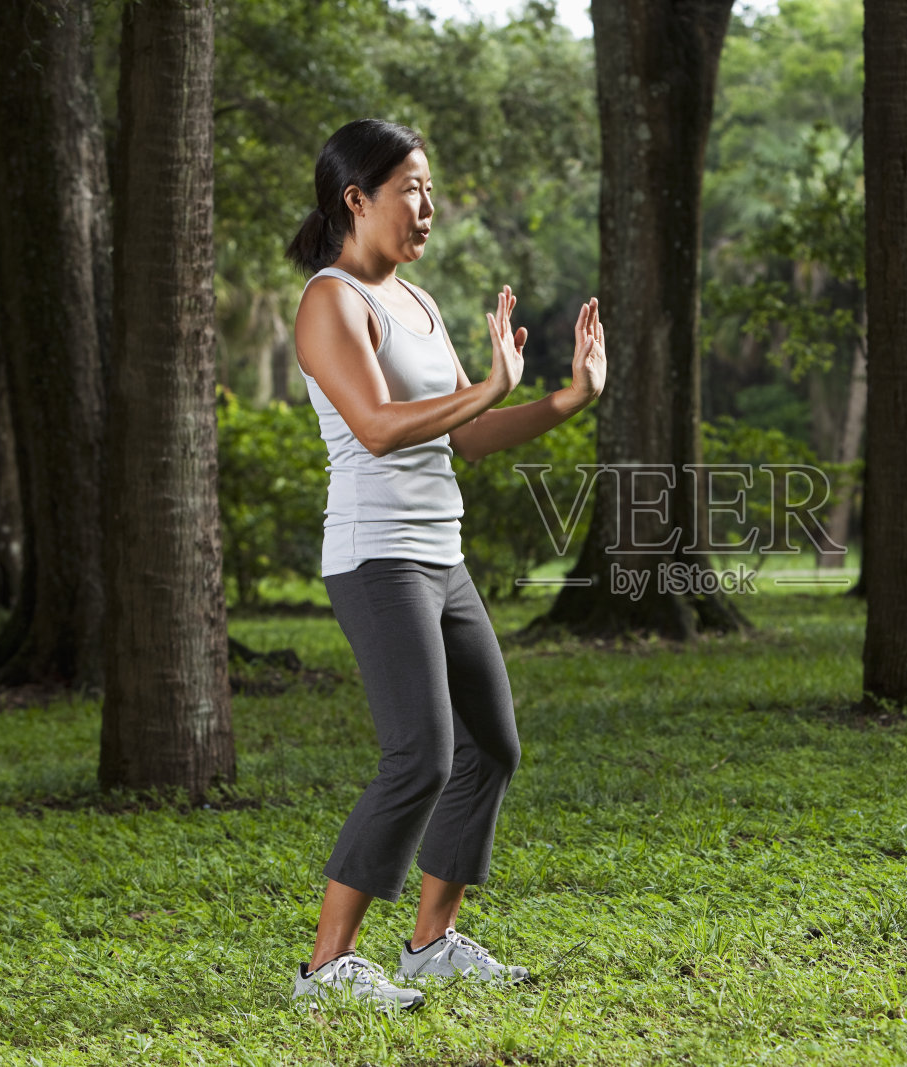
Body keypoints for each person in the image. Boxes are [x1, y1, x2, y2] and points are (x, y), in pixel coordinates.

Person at [281, 118, 605, 1013]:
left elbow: (467, 432)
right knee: (419, 754)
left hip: (441, 555)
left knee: (491, 746)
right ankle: (326, 966)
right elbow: (379, 429)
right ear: (357, 199)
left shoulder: (417, 303)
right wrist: (489, 383)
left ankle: (430, 942)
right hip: (376, 556)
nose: (427, 207)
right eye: (410, 189)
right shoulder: (332, 302)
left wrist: (565, 397)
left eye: (430, 189)